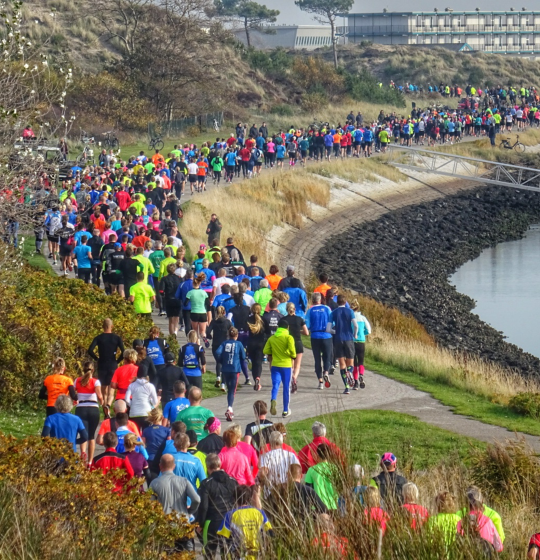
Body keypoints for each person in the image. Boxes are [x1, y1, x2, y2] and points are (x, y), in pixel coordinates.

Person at [149, 454, 200, 551]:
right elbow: (196, 499)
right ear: (174, 466)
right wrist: (190, 511)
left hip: (164, 526)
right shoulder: (184, 481)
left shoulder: (154, 483)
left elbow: (150, 506)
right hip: (183, 524)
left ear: (160, 466)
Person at [196, 453, 238, 560]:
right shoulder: (233, 481)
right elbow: (238, 502)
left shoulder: (206, 484)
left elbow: (204, 507)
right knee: (228, 554)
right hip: (229, 523)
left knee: (209, 554)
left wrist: (200, 523)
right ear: (220, 465)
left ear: (208, 467)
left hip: (212, 523)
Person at [217, 485, 272, 559]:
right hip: (258, 554)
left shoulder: (230, 515)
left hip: (240, 554)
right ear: (249, 498)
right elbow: (270, 533)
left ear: (235, 499)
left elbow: (222, 537)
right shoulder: (260, 513)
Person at [87, 318, 125, 416]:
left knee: (103, 388)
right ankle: (108, 405)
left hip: (102, 363)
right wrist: (118, 360)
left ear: (103, 326)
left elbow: (90, 350)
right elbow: (123, 351)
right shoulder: (116, 338)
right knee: (111, 389)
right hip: (112, 363)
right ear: (112, 326)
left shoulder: (99, 338)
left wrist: (97, 358)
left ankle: (104, 408)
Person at [263, 319, 296, 418]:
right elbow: (293, 352)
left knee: (275, 385)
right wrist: (289, 354)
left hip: (275, 365)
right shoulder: (289, 337)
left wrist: (272, 353)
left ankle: (273, 399)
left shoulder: (272, 338)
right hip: (286, 366)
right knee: (286, 387)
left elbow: (265, 350)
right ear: (287, 327)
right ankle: (285, 410)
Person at [215, 327, 249, 421]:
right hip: (235, 369)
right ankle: (230, 408)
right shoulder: (239, 344)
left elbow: (217, 352)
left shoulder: (224, 343)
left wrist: (221, 360)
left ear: (228, 335)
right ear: (237, 335)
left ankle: (230, 407)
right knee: (232, 390)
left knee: (229, 388)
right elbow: (243, 356)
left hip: (225, 369)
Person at [327, 294, 358, 394]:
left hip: (338, 339)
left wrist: (334, 332)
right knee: (351, 363)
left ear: (337, 302)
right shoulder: (350, 311)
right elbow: (355, 325)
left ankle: (346, 386)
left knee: (341, 364)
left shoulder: (333, 313)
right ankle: (349, 371)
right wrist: (355, 334)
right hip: (348, 338)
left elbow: (328, 329)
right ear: (345, 302)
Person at [456, 487, 504, 552]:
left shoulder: (459, 519)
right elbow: (499, 547)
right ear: (481, 501)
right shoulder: (489, 520)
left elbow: (456, 544)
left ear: (465, 502)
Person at [74, 361, 103, 465]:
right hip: (93, 409)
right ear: (93, 370)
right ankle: (90, 462)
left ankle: (82, 455)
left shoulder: (77, 380)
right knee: (91, 436)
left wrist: (74, 401)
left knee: (83, 434)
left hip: (81, 409)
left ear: (83, 370)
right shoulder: (95, 381)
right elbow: (99, 395)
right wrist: (102, 403)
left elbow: (73, 394)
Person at [305, 292, 333, 389]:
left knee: (317, 359)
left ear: (312, 300)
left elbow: (307, 325)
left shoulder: (310, 310)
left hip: (315, 336)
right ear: (320, 299)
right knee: (327, 357)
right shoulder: (327, 309)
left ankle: (320, 381)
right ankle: (326, 371)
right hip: (326, 335)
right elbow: (332, 321)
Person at [281, 302, 308, 394]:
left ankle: (289, 379)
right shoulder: (299, 319)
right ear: (294, 309)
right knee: (297, 365)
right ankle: (294, 378)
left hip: (288, 343)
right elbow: (306, 332)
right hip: (298, 343)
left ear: (286, 309)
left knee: (290, 364)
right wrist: (299, 331)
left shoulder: (283, 320)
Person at [304, 443, 339, 512]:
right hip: (333, 505)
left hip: (317, 506)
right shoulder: (335, 469)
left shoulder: (312, 470)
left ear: (317, 455)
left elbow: (308, 489)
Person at [207, 305, 232, 389]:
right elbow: (233, 331)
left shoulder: (214, 322)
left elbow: (208, 331)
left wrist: (210, 336)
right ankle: (223, 384)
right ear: (224, 312)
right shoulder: (227, 322)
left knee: (219, 362)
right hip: (225, 344)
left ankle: (218, 377)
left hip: (216, 344)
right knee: (224, 364)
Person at [185, 273, 210, 344]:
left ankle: (198, 346)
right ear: (200, 283)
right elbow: (207, 303)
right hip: (202, 313)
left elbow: (185, 303)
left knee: (195, 332)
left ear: (193, 283)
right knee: (202, 331)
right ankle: (204, 337)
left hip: (194, 313)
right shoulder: (204, 292)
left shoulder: (190, 293)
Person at [351, 300, 371, 390]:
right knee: (361, 361)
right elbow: (369, 330)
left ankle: (355, 383)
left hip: (352, 342)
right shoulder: (363, 318)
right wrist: (363, 333)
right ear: (358, 308)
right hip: (361, 341)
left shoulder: (350, 318)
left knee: (354, 363)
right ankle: (361, 375)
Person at [247, 304, 266, 391]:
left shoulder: (248, 320)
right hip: (260, 344)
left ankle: (255, 379)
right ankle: (258, 378)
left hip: (251, 344)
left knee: (254, 363)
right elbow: (267, 333)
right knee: (259, 363)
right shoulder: (263, 319)